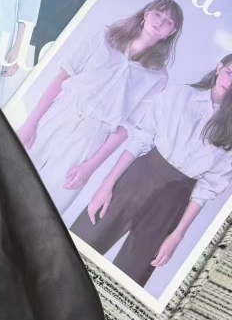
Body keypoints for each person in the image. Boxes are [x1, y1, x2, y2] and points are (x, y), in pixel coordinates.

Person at [71, 55, 232, 285]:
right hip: (138, 178)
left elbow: (207, 188)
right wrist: (106, 184)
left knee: (129, 278)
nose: (230, 82)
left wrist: (178, 235)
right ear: (219, 68)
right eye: (229, 73)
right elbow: (141, 138)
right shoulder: (180, 95)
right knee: (81, 243)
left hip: (174, 200)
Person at [16, 0, 184, 213]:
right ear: (146, 14)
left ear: (170, 32)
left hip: (90, 139)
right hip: (58, 116)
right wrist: (30, 123)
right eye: (157, 14)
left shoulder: (158, 77)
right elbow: (62, 77)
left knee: (44, 208)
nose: (160, 22)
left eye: (168, 22)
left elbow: (127, 127)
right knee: (8, 175)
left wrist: (91, 166)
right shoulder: (104, 37)